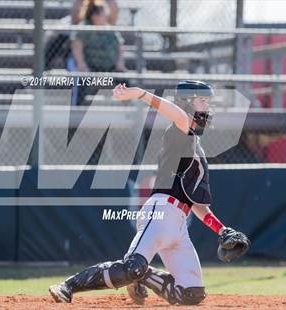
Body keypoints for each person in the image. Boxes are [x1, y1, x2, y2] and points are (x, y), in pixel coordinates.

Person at [49, 81, 250, 305]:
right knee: (131, 267)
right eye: (201, 100)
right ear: (186, 102)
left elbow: (198, 205)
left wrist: (222, 230)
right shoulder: (179, 129)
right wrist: (141, 94)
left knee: (191, 294)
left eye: (207, 101)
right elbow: (180, 116)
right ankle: (68, 286)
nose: (207, 107)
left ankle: (143, 276)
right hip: (160, 212)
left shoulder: (196, 145)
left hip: (179, 223)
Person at [71, 0, 126, 105]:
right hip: (91, 66)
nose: (106, 16)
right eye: (102, 13)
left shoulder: (108, 27)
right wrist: (82, 64)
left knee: (125, 79)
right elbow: (77, 45)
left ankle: (131, 109)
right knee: (83, 79)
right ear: (94, 15)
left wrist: (120, 62)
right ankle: (78, 110)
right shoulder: (85, 27)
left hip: (110, 66)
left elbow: (120, 45)